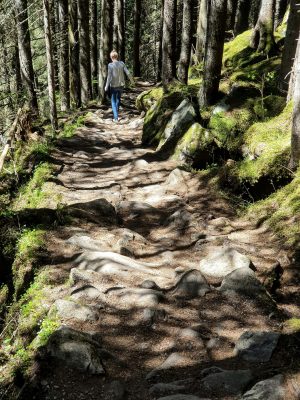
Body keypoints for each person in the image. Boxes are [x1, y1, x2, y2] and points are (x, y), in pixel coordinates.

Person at [104, 50, 134, 122]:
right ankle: (116, 116)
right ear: (117, 56)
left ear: (111, 57)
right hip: (121, 85)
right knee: (118, 100)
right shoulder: (122, 63)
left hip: (113, 85)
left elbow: (109, 77)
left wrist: (106, 86)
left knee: (113, 101)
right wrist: (132, 81)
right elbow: (128, 73)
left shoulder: (110, 65)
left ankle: (116, 118)